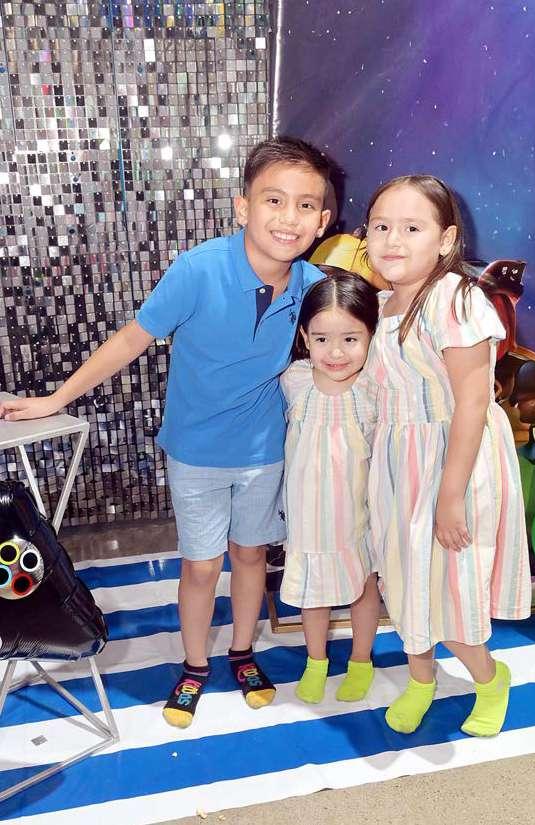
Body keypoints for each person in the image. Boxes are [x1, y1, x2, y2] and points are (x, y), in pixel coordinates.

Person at [0, 136, 332, 728]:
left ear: (323, 221)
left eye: (306, 205)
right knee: (201, 565)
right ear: (243, 207)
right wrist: (56, 398)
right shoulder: (198, 270)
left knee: (251, 555)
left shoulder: (313, 286)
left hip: (266, 452)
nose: (289, 217)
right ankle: (196, 664)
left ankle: (243, 652)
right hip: (196, 453)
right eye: (274, 200)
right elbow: (132, 338)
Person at [364, 175, 531, 736]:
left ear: (445, 239)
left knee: (454, 590)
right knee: (403, 581)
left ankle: (490, 678)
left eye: (412, 227)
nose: (394, 239)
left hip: (454, 462)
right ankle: (421, 680)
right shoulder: (380, 305)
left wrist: (450, 495)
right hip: (399, 466)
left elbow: (472, 403)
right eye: (382, 226)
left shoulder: (456, 299)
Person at [280, 268, 380, 704]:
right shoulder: (296, 380)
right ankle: (316, 661)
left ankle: (361, 660)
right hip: (308, 518)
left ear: (371, 336)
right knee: (312, 591)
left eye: (350, 339)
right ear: (305, 337)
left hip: (358, 514)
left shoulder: (374, 388)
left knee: (363, 584)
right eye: (322, 339)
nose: (335, 352)